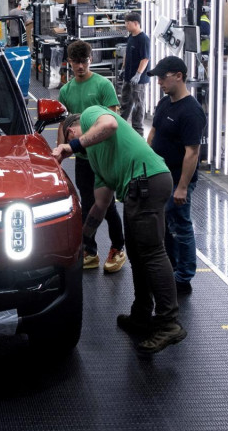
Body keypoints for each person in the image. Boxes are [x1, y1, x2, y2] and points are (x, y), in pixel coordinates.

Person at [53, 107, 185, 354]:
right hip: (138, 189)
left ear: (72, 130)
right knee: (136, 254)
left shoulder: (91, 114)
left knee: (153, 253)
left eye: (70, 137)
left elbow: (110, 126)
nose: (72, 143)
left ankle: (168, 323)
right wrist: (81, 241)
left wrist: (72, 146)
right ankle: (142, 314)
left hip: (148, 180)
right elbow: (100, 206)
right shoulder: (96, 159)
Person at [57, 40, 127, 273]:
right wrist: (59, 150)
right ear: (69, 63)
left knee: (106, 206)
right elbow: (64, 124)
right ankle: (90, 250)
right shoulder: (66, 91)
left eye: (84, 61)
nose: (80, 66)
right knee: (86, 204)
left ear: (91, 60)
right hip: (83, 159)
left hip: (104, 158)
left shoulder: (103, 86)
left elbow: (113, 121)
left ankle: (118, 247)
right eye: (76, 62)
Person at [147, 56, 206, 296]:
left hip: (177, 180)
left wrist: (182, 187)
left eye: (163, 77)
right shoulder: (164, 103)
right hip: (160, 177)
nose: (159, 81)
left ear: (179, 76)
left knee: (181, 226)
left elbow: (192, 153)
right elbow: (153, 133)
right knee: (166, 225)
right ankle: (171, 267)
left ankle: (184, 277)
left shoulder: (192, 112)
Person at [120, 11, 150, 135]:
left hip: (139, 80)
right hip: (128, 76)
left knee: (138, 104)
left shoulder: (143, 39)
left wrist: (138, 74)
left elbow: (145, 59)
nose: (126, 25)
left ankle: (138, 132)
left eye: (128, 23)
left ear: (136, 23)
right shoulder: (131, 37)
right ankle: (121, 125)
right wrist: (123, 68)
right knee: (125, 101)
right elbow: (127, 53)